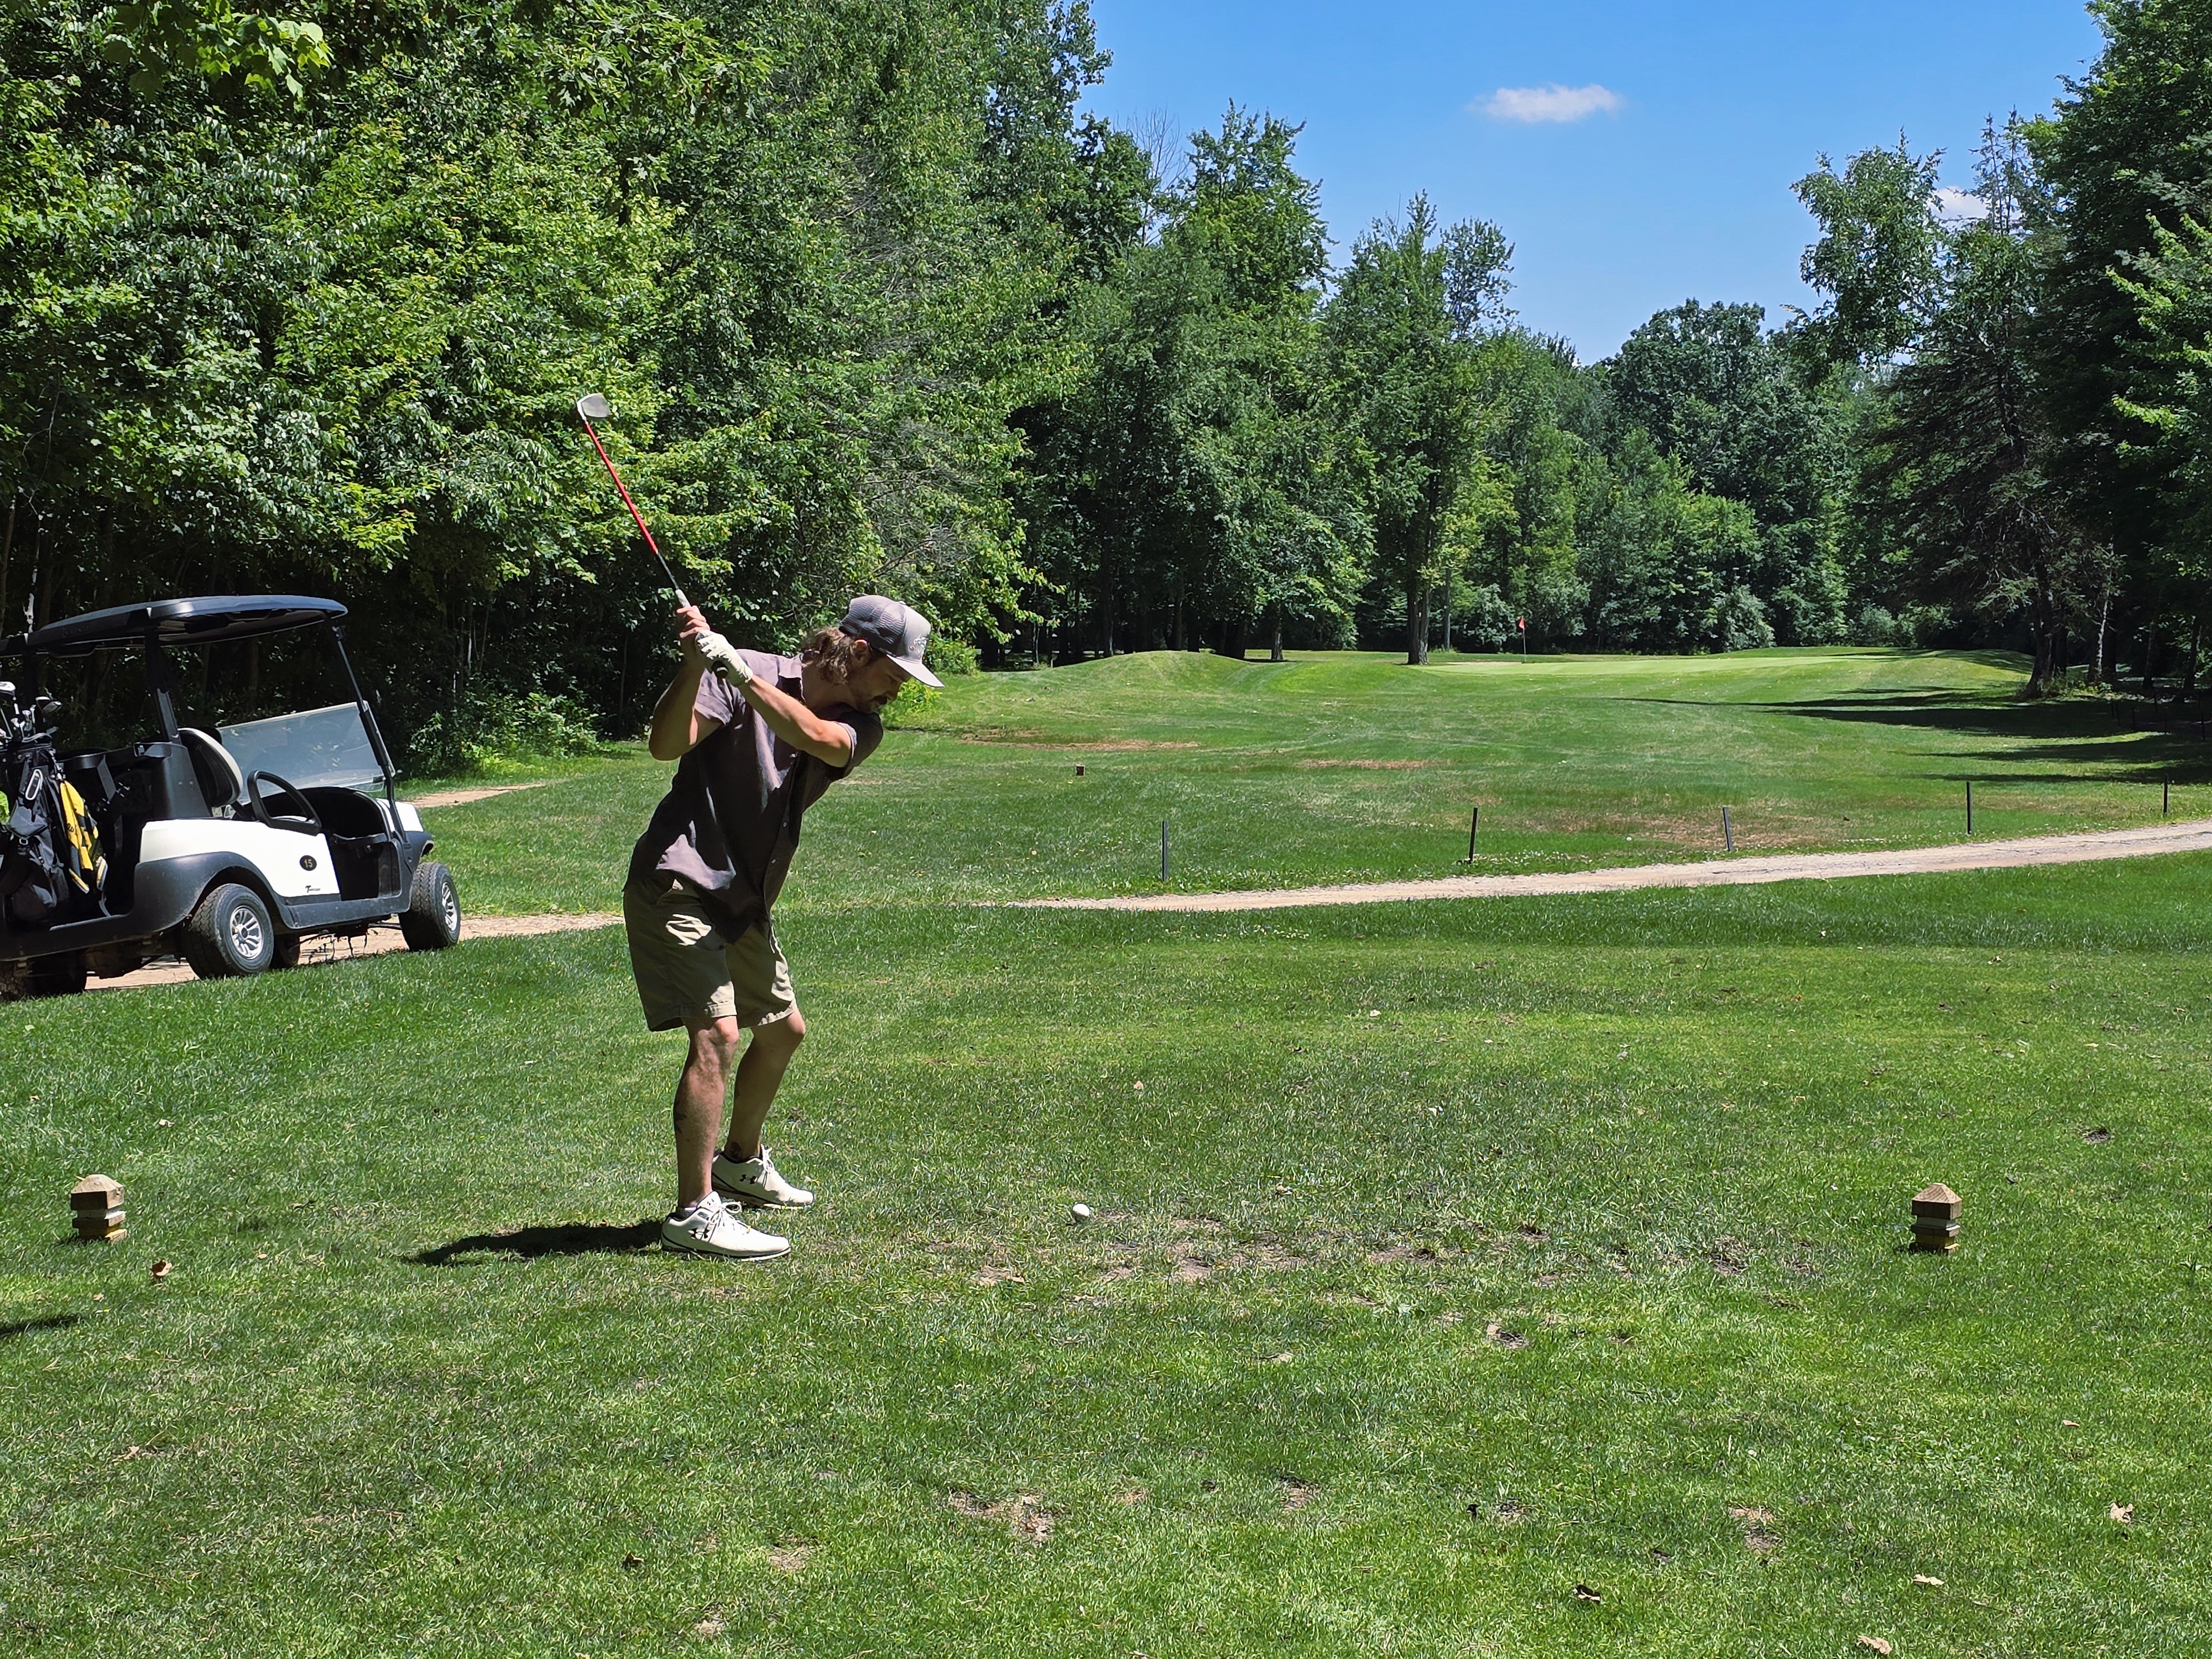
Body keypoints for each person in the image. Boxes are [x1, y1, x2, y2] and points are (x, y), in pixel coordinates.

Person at [625, 594, 940, 1260]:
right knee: (718, 1036)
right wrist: (694, 669)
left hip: (744, 896)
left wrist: (738, 674)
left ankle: (739, 1161)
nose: (897, 691)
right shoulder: (738, 671)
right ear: (858, 653)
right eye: (895, 674)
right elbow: (663, 746)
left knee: (783, 1031)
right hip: (680, 880)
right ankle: (693, 1213)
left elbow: (813, 738)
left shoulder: (855, 722)